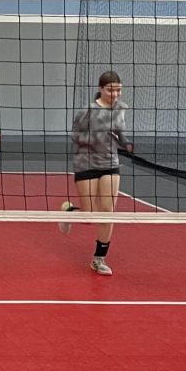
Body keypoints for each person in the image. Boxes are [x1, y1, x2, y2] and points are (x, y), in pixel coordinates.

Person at [64, 70, 132, 275]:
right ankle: (69, 212)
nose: (116, 94)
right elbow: (75, 136)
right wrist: (93, 139)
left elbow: (120, 132)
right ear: (101, 89)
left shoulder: (121, 109)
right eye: (111, 90)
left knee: (108, 212)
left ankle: (99, 259)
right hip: (86, 163)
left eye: (119, 90)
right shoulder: (88, 111)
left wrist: (126, 143)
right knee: (89, 215)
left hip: (110, 163)